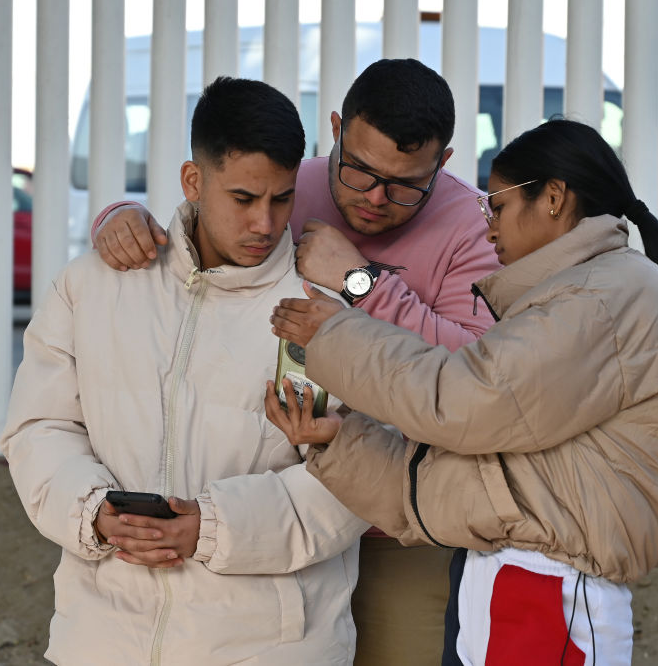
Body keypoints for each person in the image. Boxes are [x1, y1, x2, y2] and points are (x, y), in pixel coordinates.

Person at [89, 58, 500, 665]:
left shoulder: (474, 227)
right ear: (335, 129)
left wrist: (364, 284)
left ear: (443, 162)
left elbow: (477, 380)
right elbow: (195, 237)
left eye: (406, 184)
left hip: (401, 523)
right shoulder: (287, 185)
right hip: (272, 507)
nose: (375, 200)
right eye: (358, 172)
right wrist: (116, 219)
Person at [264, 119, 658, 666]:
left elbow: (460, 406)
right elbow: (476, 476)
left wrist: (335, 332)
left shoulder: (601, 296)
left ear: (553, 197)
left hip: (547, 592)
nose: (487, 226)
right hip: (516, 581)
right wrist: (337, 440)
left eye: (495, 205)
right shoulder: (584, 291)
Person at [0, 77, 368, 665]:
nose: (265, 224)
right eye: (244, 198)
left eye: (282, 199)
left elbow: (353, 479)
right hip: (101, 641)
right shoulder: (92, 286)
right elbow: (39, 427)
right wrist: (92, 511)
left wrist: (216, 527)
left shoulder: (325, 312)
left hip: (271, 647)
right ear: (193, 181)